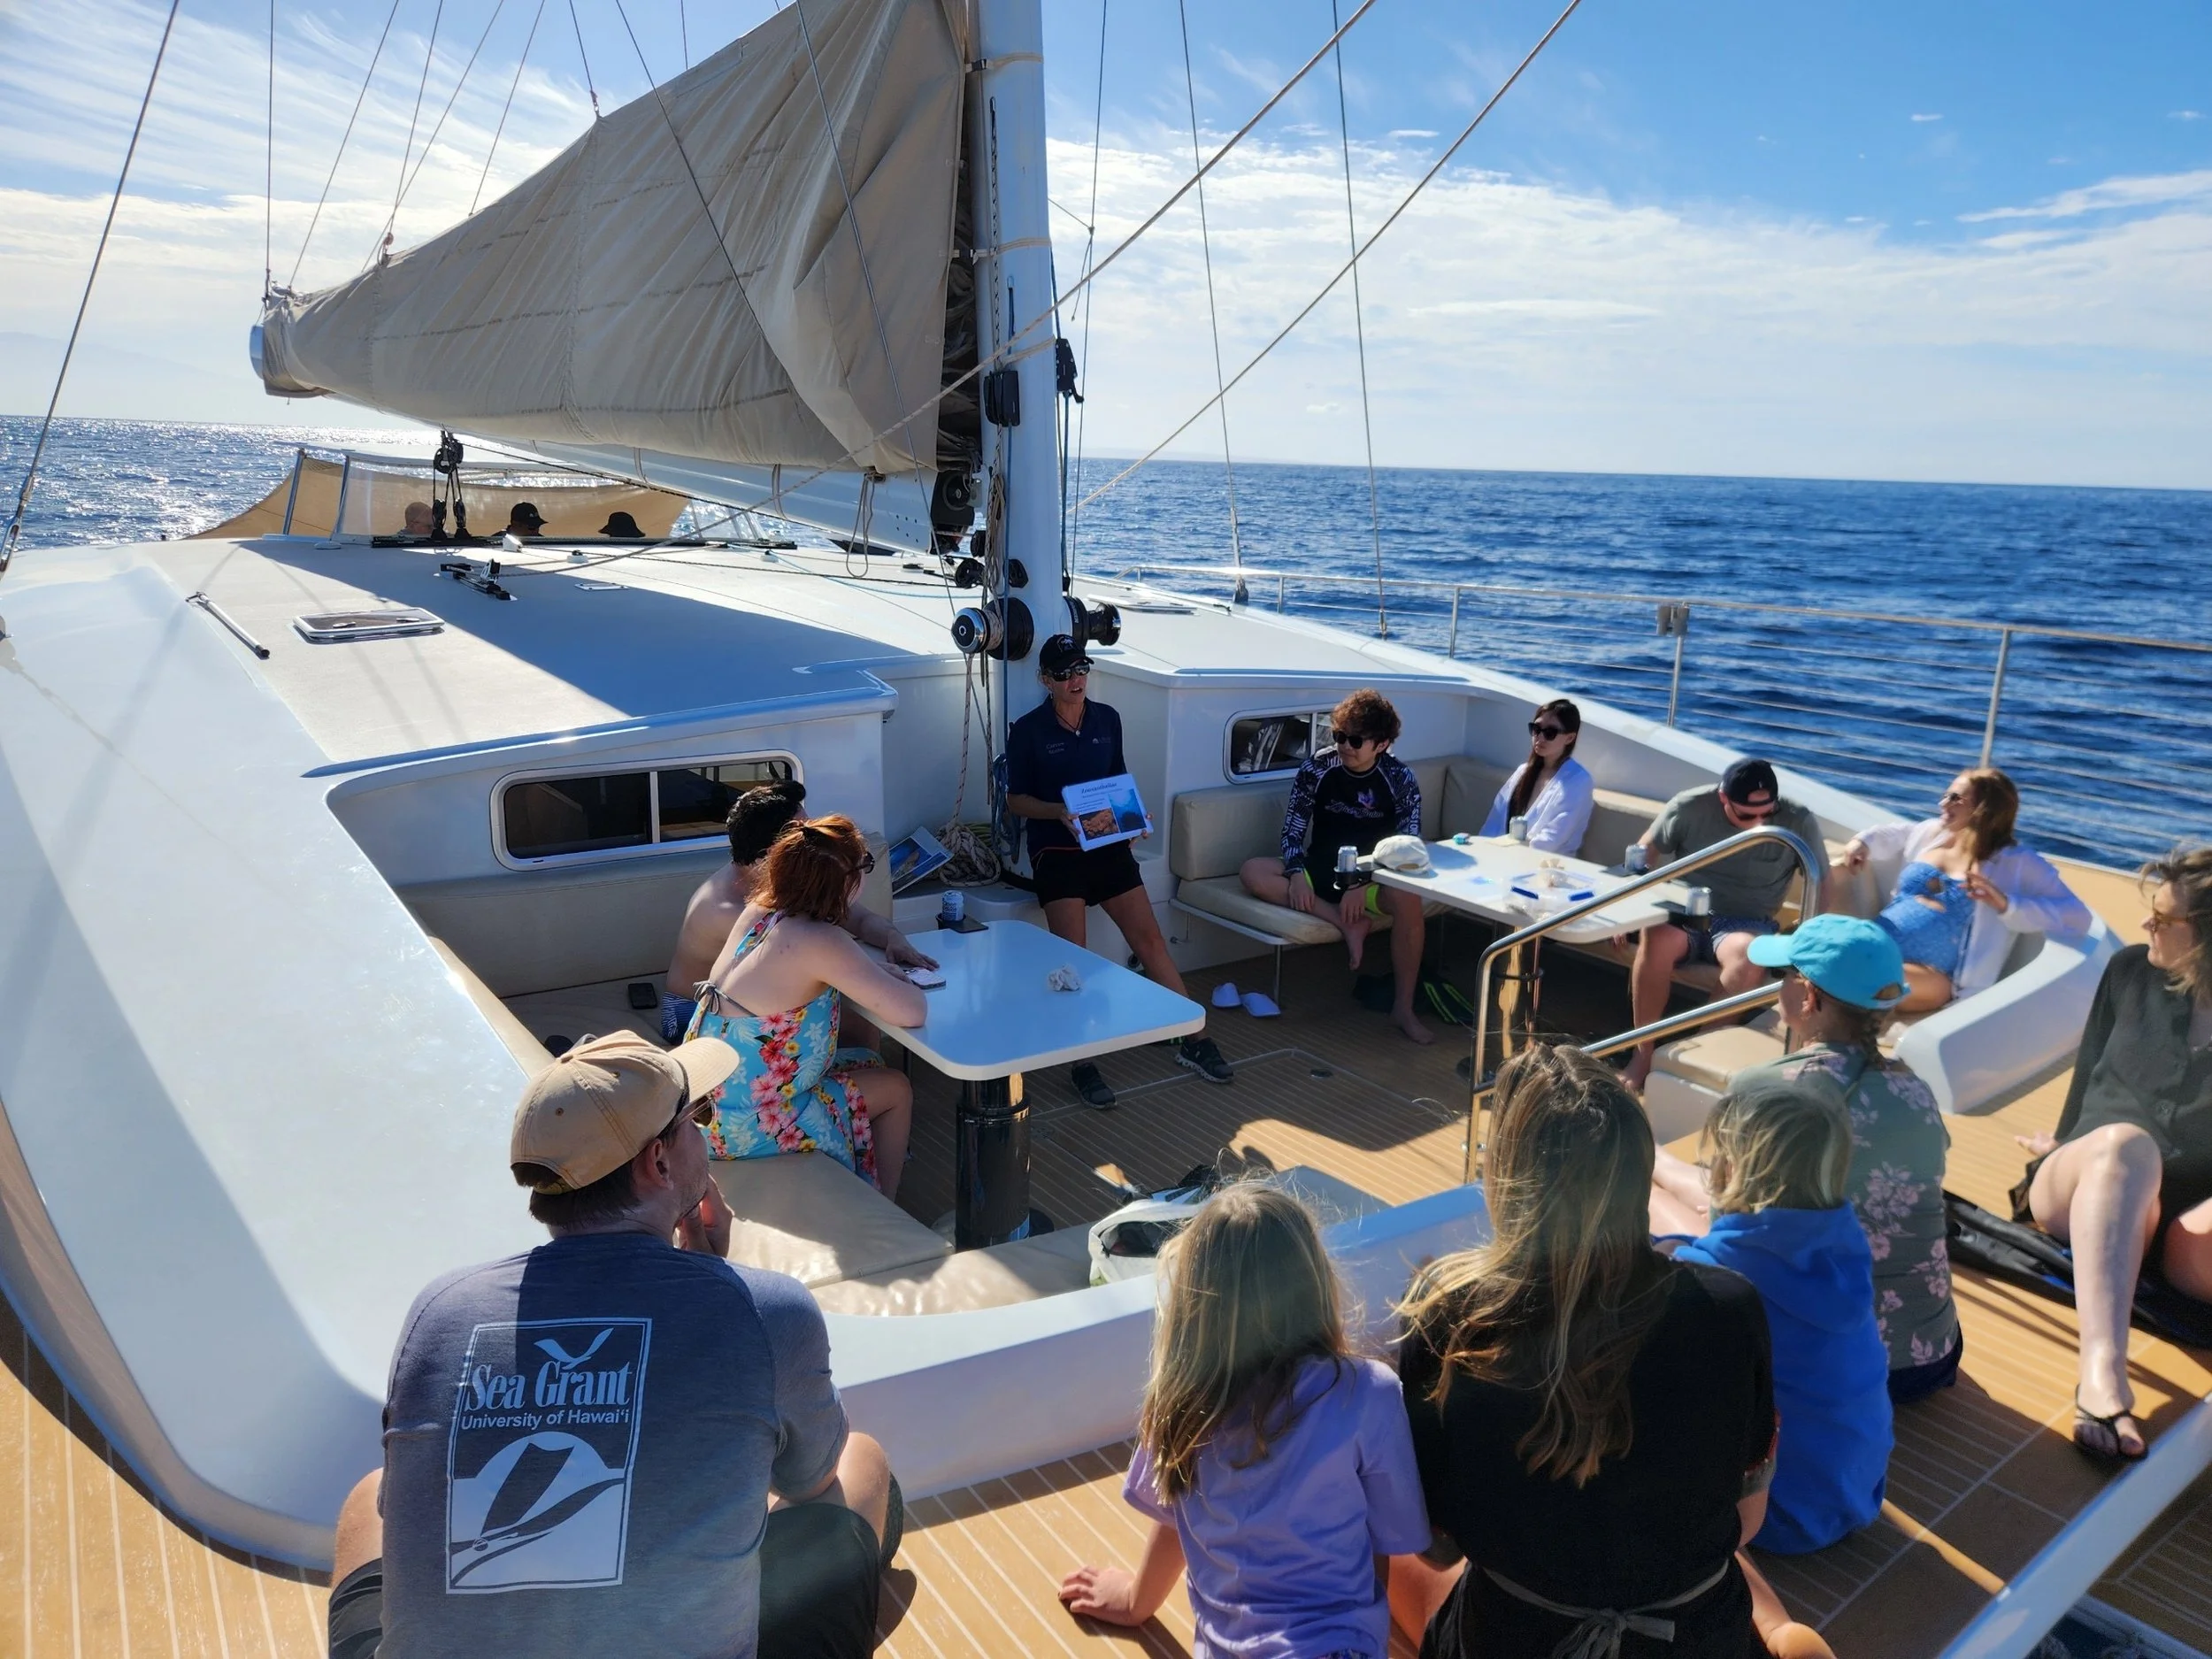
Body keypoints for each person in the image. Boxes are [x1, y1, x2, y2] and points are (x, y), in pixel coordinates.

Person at [325, 1031, 897, 1659]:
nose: (703, 1133)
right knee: (860, 1463)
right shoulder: (765, 1311)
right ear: (659, 1162)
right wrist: (720, 1284)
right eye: (695, 1119)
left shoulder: (441, 1310)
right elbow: (809, 1482)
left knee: (368, 1496)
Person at [1390, 1044, 1832, 1659]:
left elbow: (1437, 1547)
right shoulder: (1731, 1308)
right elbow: (1747, 1519)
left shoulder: (1446, 1318)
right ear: (1637, 1176)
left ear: (1507, 1180)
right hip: (1699, 1639)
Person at [1057, 1185, 1432, 1653]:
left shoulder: (1178, 1404)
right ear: (1314, 1282)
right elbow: (1393, 1536)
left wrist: (1136, 1600)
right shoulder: (1368, 1394)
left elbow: (1176, 1513)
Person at [1654, 915, 1963, 1406]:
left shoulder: (1767, 1089)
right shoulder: (1916, 1092)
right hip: (1931, 1357)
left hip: (1818, 1363)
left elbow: (1722, 1221)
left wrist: (1653, 1166)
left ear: (1808, 997)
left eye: (1784, 976)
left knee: (1650, 1200)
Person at [2013, 845, 2212, 1462]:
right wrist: (2067, 1141)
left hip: (2185, 1225)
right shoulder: (2130, 971)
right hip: (2094, 1179)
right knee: (2127, 1145)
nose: (2148, 926)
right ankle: (2103, 1371)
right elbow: (2088, 1078)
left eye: (2165, 918)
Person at [1661, 1071, 1892, 1555]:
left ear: (1729, 1169)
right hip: (1854, 1491)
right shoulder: (1846, 1242)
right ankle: (1652, 1162)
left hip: (1780, 1514)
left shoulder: (1716, 1275)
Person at [1005, 634, 1233, 1107]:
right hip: (1056, 850)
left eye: (1082, 668)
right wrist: (1059, 813)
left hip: (1106, 847)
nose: (1076, 679)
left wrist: (1133, 820)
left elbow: (1117, 783)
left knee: (1149, 940)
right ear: (1045, 679)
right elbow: (1015, 800)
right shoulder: (1027, 730)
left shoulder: (1109, 720)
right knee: (1074, 960)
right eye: (1065, 673)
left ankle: (1194, 1037)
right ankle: (1082, 1063)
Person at [687, 816, 923, 1199]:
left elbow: (791, 972)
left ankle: (864, 1176)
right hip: (748, 1126)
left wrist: (868, 968)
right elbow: (913, 1012)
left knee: (868, 1060)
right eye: (864, 866)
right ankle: (887, 1207)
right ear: (847, 881)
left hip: (710, 1108)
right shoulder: (820, 941)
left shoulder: (760, 912)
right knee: (896, 1089)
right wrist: (894, 978)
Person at [663, 781, 934, 1046]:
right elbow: (815, 958)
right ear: (775, 853)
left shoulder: (786, 886)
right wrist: (871, 970)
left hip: (742, 1005)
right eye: (803, 834)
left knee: (860, 1009)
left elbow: (860, 919)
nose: (815, 837)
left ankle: (855, 1076)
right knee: (855, 1015)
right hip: (692, 1014)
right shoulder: (731, 909)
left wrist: (893, 937)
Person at [1239, 688, 1434, 1045]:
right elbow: (1293, 830)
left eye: (1355, 740)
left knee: (1409, 899)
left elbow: (1408, 846)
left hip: (1371, 879)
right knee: (1253, 871)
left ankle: (1403, 1009)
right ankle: (1347, 925)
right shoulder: (1317, 767)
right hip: (1320, 869)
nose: (1344, 745)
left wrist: (1360, 881)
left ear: (1382, 744)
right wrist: (1296, 873)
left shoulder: (1400, 779)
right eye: (1339, 735)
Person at [1622, 758, 1825, 1091]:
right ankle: (1642, 1054)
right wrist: (1628, 910)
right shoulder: (1689, 806)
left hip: (1746, 923)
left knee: (1748, 955)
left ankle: (1689, 1059)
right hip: (1685, 910)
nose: (1759, 822)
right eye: (1746, 815)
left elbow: (1823, 883)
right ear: (1723, 799)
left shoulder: (1798, 820)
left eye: (1767, 814)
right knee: (1656, 934)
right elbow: (1645, 851)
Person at [1836, 768, 2090, 1014]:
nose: (1943, 803)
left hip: (1933, 977)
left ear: (1985, 809)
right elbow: (1895, 834)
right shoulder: (1933, 833)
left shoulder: (2017, 862)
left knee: (1863, 972)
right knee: (1826, 945)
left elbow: (2077, 916)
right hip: (1876, 945)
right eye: (1946, 795)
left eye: (1955, 798)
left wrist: (2006, 905)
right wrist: (1863, 842)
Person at [1480, 698, 1595, 856]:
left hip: (1546, 869)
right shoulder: (1523, 771)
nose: (1540, 738)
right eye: (1536, 729)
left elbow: (1551, 840)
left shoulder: (1579, 781)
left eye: (1550, 733)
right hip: (1501, 859)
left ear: (1569, 738)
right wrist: (1482, 852)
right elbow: (1494, 823)